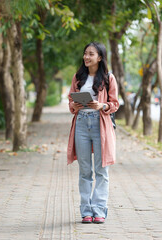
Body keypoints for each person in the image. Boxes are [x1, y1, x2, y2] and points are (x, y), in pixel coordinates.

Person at [67, 42, 119, 224]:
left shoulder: (108, 78)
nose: (86, 57)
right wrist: (74, 105)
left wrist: (102, 105)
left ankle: (99, 210)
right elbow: (70, 101)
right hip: (81, 123)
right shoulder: (78, 77)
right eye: (85, 53)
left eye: (91, 54)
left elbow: (115, 104)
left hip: (100, 124)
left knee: (101, 169)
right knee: (85, 171)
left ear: (99, 57)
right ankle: (86, 211)